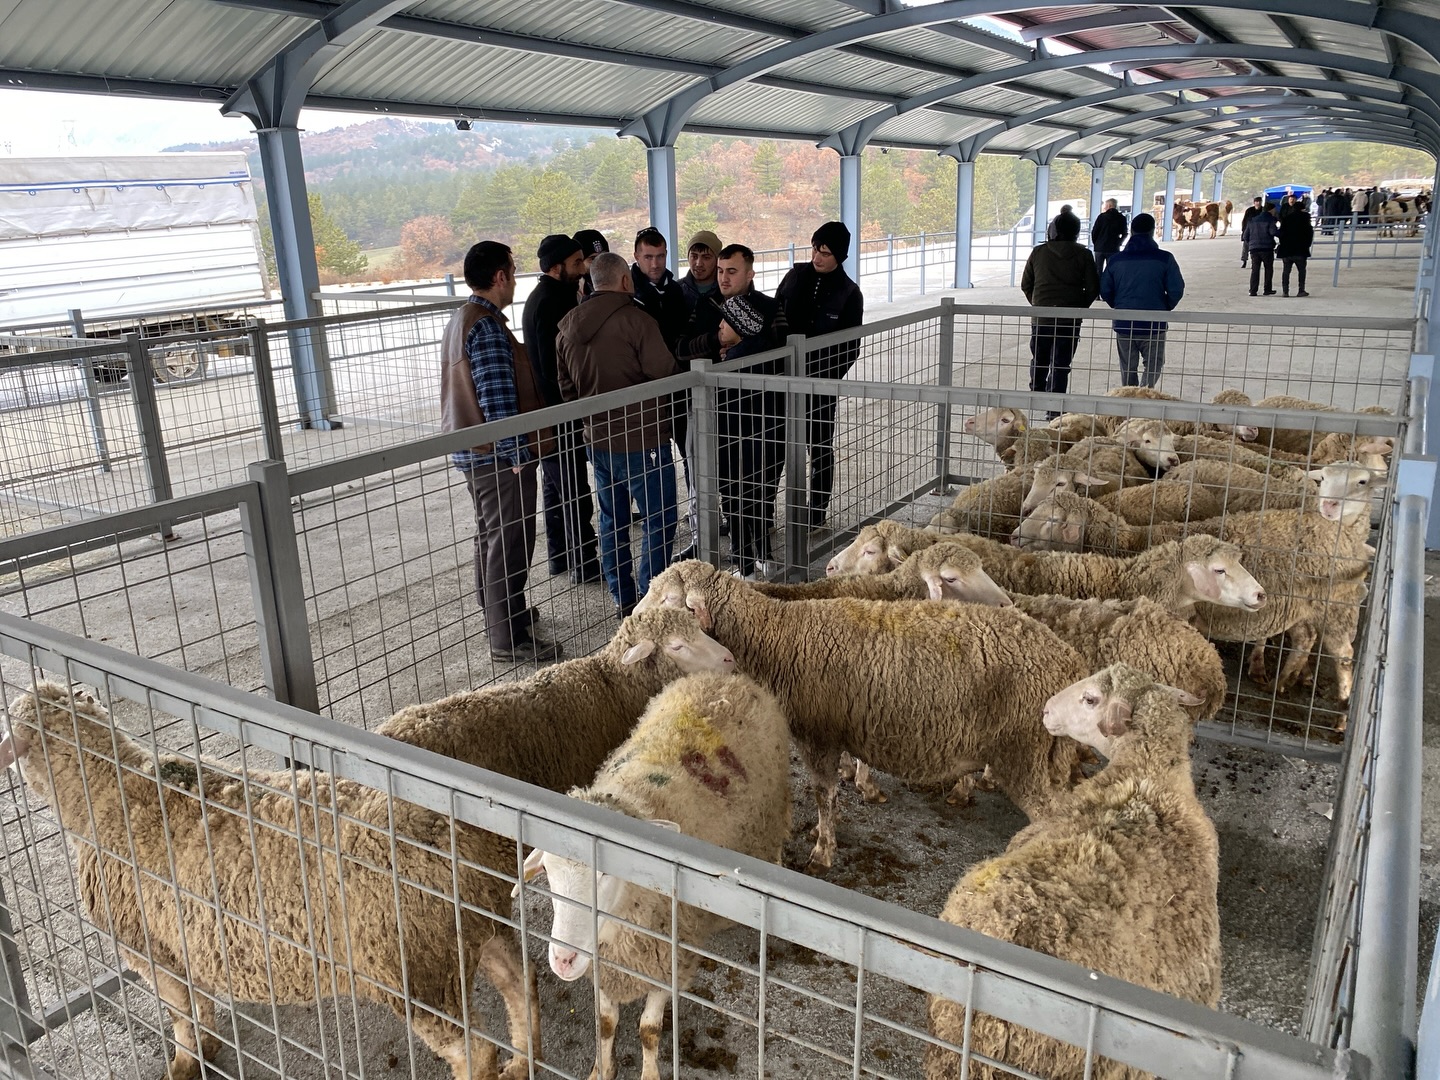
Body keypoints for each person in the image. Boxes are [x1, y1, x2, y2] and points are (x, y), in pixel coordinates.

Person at [440, 241, 560, 664]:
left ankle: (503, 613)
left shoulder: (462, 318)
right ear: (499, 277)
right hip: (497, 456)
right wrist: (516, 457)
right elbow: (498, 403)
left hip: (473, 448)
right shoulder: (487, 328)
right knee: (509, 539)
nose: (514, 278)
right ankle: (506, 638)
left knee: (491, 535)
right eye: (511, 270)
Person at [556, 252, 680, 620]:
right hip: (643, 440)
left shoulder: (565, 328)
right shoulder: (637, 321)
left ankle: (621, 595)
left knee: (612, 520)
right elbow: (665, 371)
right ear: (626, 281)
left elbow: (566, 389)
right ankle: (649, 596)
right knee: (661, 518)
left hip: (597, 441)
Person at [521, 234, 601, 585]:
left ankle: (559, 557)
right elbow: (559, 365)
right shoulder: (553, 303)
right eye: (577, 262)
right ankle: (583, 561)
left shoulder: (547, 296)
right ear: (555, 268)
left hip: (551, 412)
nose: (584, 268)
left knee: (556, 490)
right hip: (559, 411)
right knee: (573, 491)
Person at [776, 220, 864, 529]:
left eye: (825, 252)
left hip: (820, 385)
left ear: (839, 256)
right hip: (782, 380)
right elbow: (774, 317)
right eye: (815, 249)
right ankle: (765, 508)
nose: (817, 257)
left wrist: (823, 379)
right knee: (775, 446)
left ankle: (816, 513)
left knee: (820, 447)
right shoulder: (796, 276)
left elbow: (850, 348)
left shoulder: (849, 293)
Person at [670, 229, 726, 562]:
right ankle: (700, 530)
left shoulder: (728, 291)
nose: (699, 262)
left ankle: (730, 520)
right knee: (692, 460)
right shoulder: (677, 293)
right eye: (694, 255)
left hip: (723, 392)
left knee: (725, 459)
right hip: (683, 390)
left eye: (707, 256)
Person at [1020, 212, 1100, 416]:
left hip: (1042, 317)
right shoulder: (1084, 254)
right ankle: (1055, 408)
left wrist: (1038, 303)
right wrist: (1077, 308)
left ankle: (1036, 395)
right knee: (1061, 362)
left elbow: (1026, 284)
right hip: (1068, 318)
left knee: (1039, 357)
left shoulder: (1038, 252)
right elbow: (1092, 289)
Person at [1098, 213, 1185, 389]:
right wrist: (1163, 307)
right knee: (1153, 365)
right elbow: (1176, 289)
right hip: (1154, 324)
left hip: (1124, 323)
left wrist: (1119, 305)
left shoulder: (1116, 260)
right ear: (1153, 231)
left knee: (1127, 368)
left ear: (1131, 231)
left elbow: (1105, 289)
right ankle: (1146, 395)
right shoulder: (1165, 258)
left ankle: (1129, 400)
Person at [630, 227, 689, 350]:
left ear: (666, 254)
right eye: (648, 257)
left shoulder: (675, 289)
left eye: (660, 256)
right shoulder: (627, 292)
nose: (655, 264)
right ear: (636, 257)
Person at [1277, 204, 1314, 298]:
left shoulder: (1286, 218)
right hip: (1300, 249)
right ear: (1303, 209)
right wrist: (1307, 245)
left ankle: (1285, 291)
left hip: (1286, 249)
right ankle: (1301, 290)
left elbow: (1281, 233)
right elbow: (1309, 233)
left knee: (1286, 271)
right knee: (1301, 271)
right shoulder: (1305, 219)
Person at [1243, 201, 1280, 297]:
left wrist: (1251, 244)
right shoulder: (1270, 220)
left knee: (1255, 269)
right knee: (1268, 269)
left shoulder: (1252, 220)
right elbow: (1273, 232)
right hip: (1266, 248)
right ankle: (1267, 289)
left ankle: (1253, 290)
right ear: (1271, 210)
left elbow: (1245, 236)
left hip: (1254, 249)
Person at [1090, 198, 1128, 275]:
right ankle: (1109, 285)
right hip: (1113, 248)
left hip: (1100, 247)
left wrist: (1096, 243)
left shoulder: (1101, 217)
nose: (1104, 207)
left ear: (1109, 205)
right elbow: (1124, 233)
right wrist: (1119, 242)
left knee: (1097, 270)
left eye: (1105, 205)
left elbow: (1094, 232)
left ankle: (1098, 286)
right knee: (1112, 269)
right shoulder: (1121, 218)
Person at [572, 228, 608, 299]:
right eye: (592, 258)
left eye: (604, 256)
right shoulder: (573, 293)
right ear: (579, 263)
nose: (600, 262)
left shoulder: (618, 283)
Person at [1239, 197, 1263, 267]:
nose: (1258, 203)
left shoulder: (1263, 210)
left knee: (1255, 249)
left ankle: (1254, 262)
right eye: (1256, 201)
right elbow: (1244, 221)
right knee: (1245, 248)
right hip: (1249, 231)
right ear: (1254, 202)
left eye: (1259, 201)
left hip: (1259, 233)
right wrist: (1244, 231)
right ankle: (1244, 261)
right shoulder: (1249, 210)